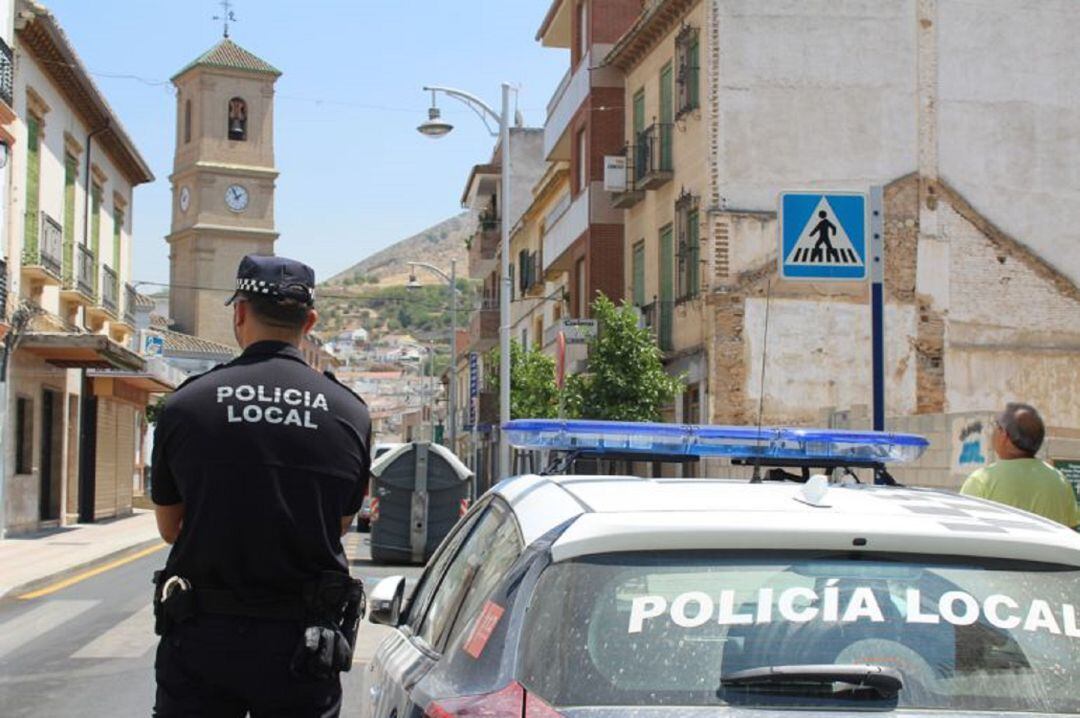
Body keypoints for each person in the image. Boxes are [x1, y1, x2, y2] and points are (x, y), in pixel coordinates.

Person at [151, 254, 371, 717]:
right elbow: (341, 523)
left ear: (239, 313)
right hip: (301, 644)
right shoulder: (349, 413)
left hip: (202, 637)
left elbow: (171, 527)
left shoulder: (186, 405)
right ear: (309, 321)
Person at [960, 402, 1079, 528]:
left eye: (996, 425)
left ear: (1004, 434)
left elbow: (963, 529)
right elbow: (1070, 528)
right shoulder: (1060, 481)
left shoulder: (981, 481)